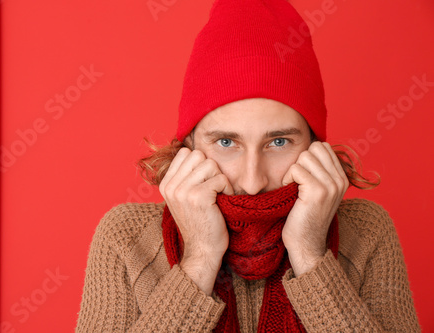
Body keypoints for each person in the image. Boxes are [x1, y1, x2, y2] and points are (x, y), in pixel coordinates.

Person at [75, 0, 421, 331]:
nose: (253, 181)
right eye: (226, 143)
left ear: (315, 148)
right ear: (189, 147)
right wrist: (200, 257)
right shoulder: (125, 237)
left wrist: (311, 256)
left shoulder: (367, 231)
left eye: (278, 142)